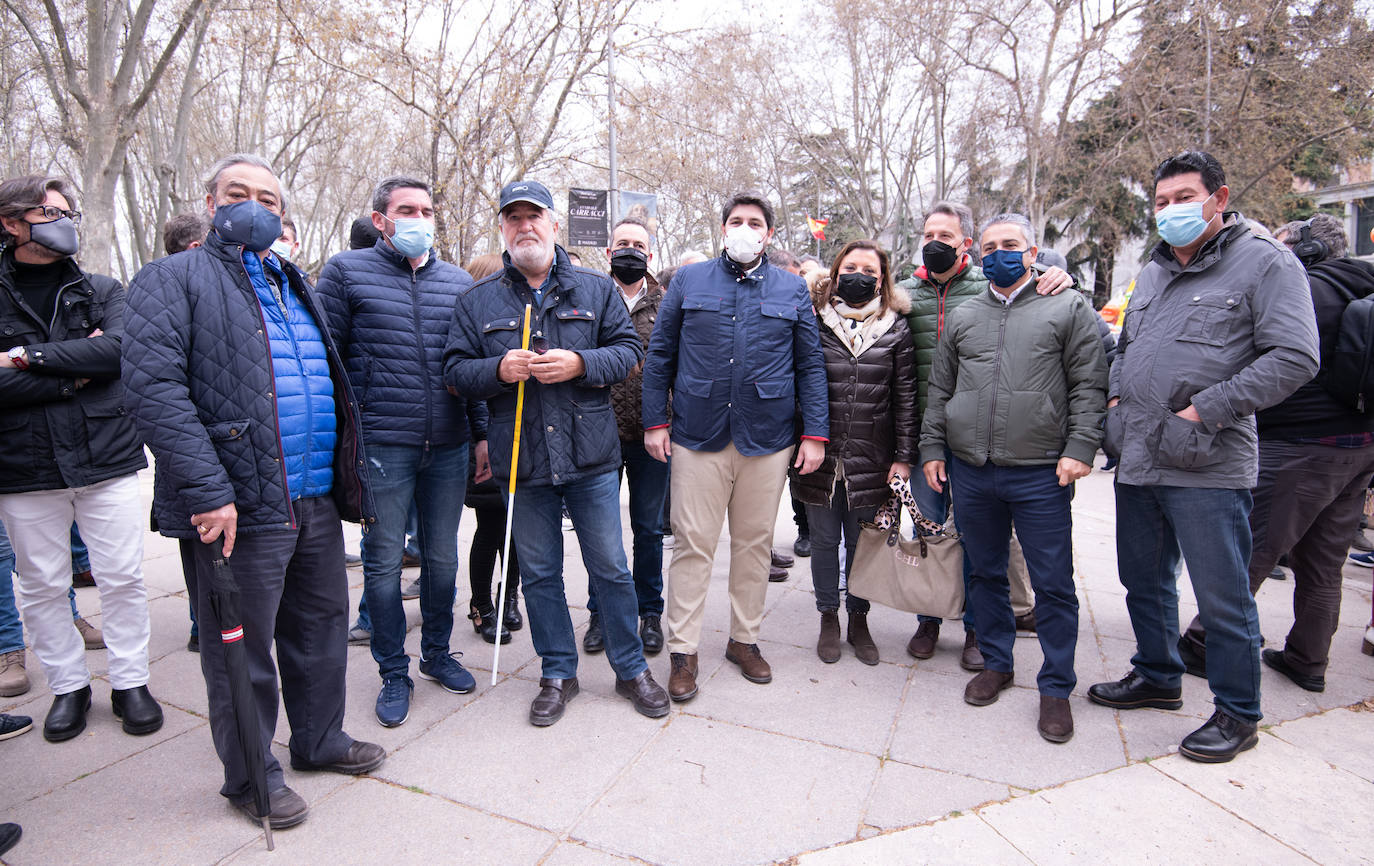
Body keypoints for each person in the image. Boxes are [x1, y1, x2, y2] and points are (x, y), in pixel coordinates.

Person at [122, 153, 383, 828]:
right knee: (240, 650)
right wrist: (208, 489)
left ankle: (319, 740)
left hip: (314, 496)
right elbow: (154, 391)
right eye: (237, 193)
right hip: (238, 506)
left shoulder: (290, 278)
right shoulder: (170, 279)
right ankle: (250, 777)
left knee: (321, 630)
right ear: (210, 204)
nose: (254, 206)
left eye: (268, 198)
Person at [1087, 150, 1319, 763]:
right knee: (1143, 580)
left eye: (1184, 198)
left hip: (1207, 463)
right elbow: (1128, 344)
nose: (1170, 211)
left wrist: (1205, 409)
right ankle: (1158, 676)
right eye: (1161, 202)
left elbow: (1295, 357)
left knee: (1222, 597)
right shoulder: (1155, 269)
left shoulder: (1266, 264)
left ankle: (1238, 713)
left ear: (1218, 198)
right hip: (1138, 456)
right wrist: (1114, 396)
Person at [445, 179, 668, 726]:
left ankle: (630, 667)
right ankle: (557, 671)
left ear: (554, 225)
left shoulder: (596, 290)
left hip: (591, 456)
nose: (525, 226)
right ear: (503, 227)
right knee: (541, 572)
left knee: (611, 568)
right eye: (513, 217)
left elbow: (630, 352)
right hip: (522, 461)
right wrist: (498, 370)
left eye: (534, 216)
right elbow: (454, 373)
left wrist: (580, 364)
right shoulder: (479, 301)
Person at [921, 213, 1107, 743]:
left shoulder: (1066, 305)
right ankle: (997, 663)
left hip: (1040, 472)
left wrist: (1080, 448)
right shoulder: (964, 314)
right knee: (984, 573)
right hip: (973, 470)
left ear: (1032, 252)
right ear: (978, 254)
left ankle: (1056, 686)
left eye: (1011, 244)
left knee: (1052, 583)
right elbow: (941, 388)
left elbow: (1089, 384)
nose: (1000, 252)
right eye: (990, 245)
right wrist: (934, 446)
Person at [641, 192, 829, 701]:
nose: (746, 229)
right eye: (737, 221)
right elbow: (660, 355)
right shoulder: (688, 280)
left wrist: (815, 434)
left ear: (769, 234)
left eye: (756, 223)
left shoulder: (791, 290)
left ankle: (744, 640)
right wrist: (655, 421)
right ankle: (683, 651)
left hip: (766, 439)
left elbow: (810, 366)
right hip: (698, 434)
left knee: (754, 546)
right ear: (723, 229)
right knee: (693, 545)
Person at [1176, 214, 1374, 690]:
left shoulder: (1305, 291)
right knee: (1324, 560)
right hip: (1360, 447)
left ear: (1304, 252)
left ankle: (1203, 644)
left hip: (1300, 446)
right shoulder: (1361, 287)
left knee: (1251, 548)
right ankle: (1308, 659)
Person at [0, 174, 162, 744]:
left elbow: (119, 352)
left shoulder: (101, 288)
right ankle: (69, 687)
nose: (66, 221)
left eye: (69, 212)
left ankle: (130, 682)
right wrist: (75, 371)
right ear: (13, 222)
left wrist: (21, 359)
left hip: (107, 456)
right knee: (42, 584)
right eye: (51, 212)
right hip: (24, 464)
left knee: (120, 577)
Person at [317, 175, 480, 728]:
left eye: (427, 210)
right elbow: (327, 362)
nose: (418, 218)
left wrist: (479, 434)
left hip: (450, 444)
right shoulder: (346, 272)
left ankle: (437, 652)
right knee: (384, 562)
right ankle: (393, 669)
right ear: (381, 220)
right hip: (382, 445)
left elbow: (469, 365)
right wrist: (342, 439)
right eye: (406, 209)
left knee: (441, 558)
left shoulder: (458, 282)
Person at [900, 202, 1073, 668]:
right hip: (925, 437)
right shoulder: (905, 293)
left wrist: (1062, 278)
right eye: (928, 232)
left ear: (966, 243)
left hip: (990, 440)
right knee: (928, 532)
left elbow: (1047, 310)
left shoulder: (990, 289)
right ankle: (929, 618)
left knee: (983, 545)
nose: (935, 241)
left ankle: (978, 629)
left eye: (946, 234)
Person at [792, 240, 917, 665]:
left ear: (881, 277)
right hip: (820, 456)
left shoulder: (897, 328)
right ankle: (829, 615)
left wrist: (903, 455)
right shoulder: (813, 321)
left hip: (873, 456)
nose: (858, 275)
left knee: (863, 543)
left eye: (868, 268)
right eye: (850, 266)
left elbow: (905, 396)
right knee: (824, 541)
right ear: (836, 271)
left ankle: (859, 618)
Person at [584, 217, 670, 657]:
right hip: (599, 434)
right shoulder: (591, 297)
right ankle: (600, 612)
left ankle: (649, 612)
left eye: (639, 244)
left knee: (649, 529)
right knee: (602, 532)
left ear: (650, 254)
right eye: (623, 244)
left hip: (653, 435)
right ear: (609, 252)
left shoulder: (668, 303)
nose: (630, 250)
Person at [460, 253, 521, 644]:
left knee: (516, 529)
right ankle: (482, 603)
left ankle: (509, 596)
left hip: (517, 437)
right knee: (490, 528)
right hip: (483, 442)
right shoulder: (470, 322)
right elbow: (470, 388)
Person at [161, 211, 211, 652]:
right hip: (192, 452)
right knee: (198, 543)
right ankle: (204, 624)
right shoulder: (164, 288)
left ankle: (208, 622)